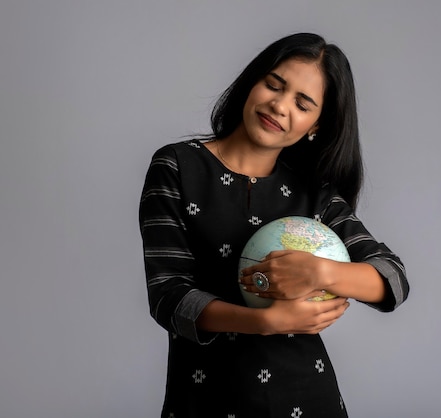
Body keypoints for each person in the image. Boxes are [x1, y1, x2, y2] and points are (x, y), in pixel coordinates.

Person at [139, 32, 409, 418]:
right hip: (204, 399)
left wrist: (320, 271)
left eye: (303, 104)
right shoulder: (178, 166)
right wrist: (264, 321)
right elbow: (169, 295)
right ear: (253, 81)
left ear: (317, 125)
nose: (280, 106)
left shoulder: (315, 195)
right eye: (274, 85)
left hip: (308, 397)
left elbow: (393, 280)